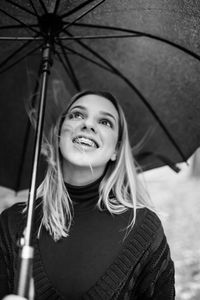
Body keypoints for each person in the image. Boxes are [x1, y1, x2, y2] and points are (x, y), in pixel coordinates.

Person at [0, 90, 175, 300]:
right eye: (77, 115)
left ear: (116, 151)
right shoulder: (13, 223)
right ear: (58, 135)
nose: (88, 124)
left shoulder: (143, 229)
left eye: (105, 122)